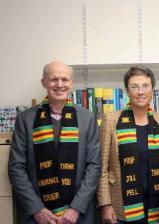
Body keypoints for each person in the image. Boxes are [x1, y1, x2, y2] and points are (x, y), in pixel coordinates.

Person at [8, 61, 101, 224]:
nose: (59, 84)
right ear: (44, 82)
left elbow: (94, 165)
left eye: (65, 80)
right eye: (53, 79)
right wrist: (37, 209)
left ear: (71, 83)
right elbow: (16, 167)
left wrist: (75, 208)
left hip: (79, 215)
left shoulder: (87, 118)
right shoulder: (25, 119)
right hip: (37, 215)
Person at [97, 66, 159, 224]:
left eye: (145, 86)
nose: (140, 92)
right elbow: (101, 166)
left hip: (156, 203)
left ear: (152, 89)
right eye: (134, 87)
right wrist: (105, 204)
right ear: (127, 91)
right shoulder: (111, 120)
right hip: (121, 204)